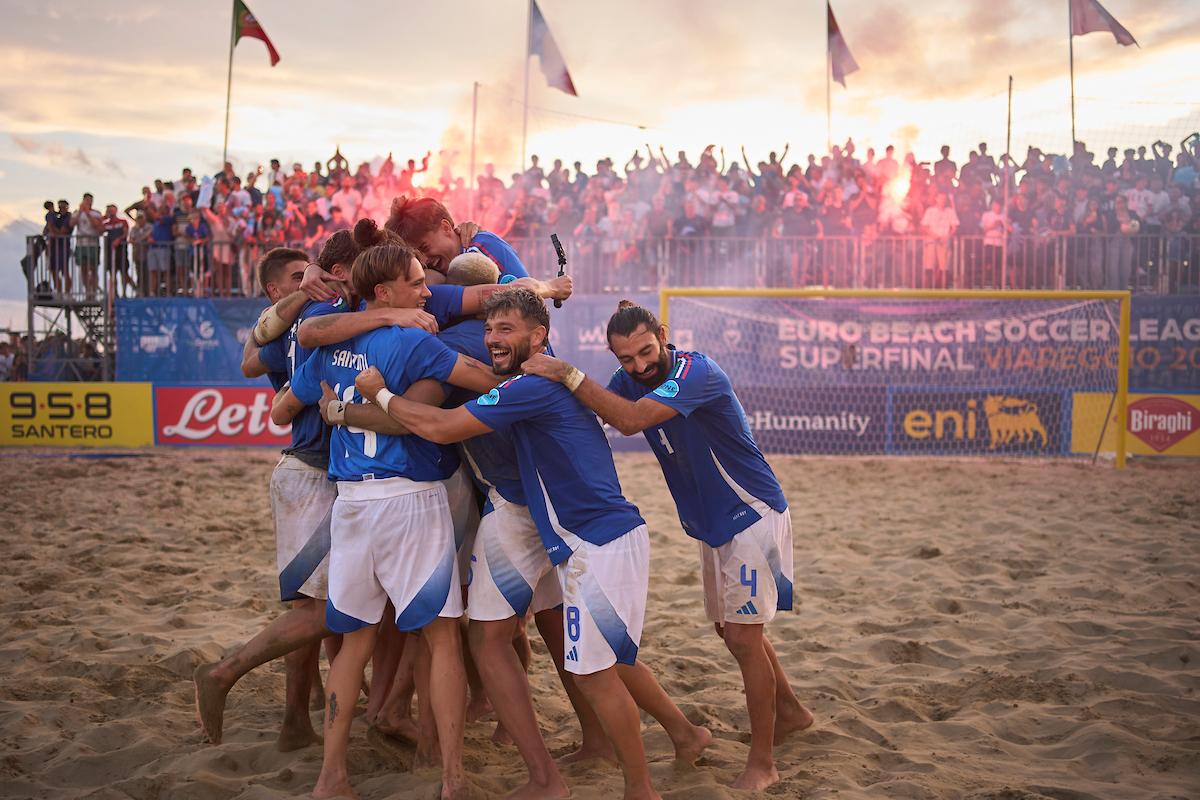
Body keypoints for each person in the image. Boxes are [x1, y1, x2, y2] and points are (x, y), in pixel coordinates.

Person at [355, 288, 713, 800]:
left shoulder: (531, 386)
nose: (493, 339)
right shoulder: (530, 380)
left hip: (599, 540)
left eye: (505, 330)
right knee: (595, 659)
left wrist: (376, 395)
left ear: (537, 336)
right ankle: (679, 737)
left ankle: (638, 790)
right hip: (579, 538)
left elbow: (442, 426)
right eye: (489, 330)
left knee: (593, 672)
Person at [521, 301, 814, 790]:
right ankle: (789, 710)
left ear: (662, 334)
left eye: (645, 352)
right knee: (733, 632)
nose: (639, 366)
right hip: (710, 523)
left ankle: (763, 762)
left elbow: (631, 420)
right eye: (626, 360)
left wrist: (566, 371)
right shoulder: (629, 381)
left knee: (743, 639)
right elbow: (592, 410)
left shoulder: (697, 370)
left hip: (752, 514)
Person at [270, 236, 504, 800]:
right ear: (385, 290)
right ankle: (452, 779)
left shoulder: (331, 345)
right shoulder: (415, 343)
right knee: (443, 638)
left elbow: (281, 410)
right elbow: (490, 385)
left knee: (354, 641)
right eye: (417, 282)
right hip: (409, 500)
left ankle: (332, 778)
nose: (427, 291)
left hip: (350, 503)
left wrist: (335, 406)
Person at [194, 247, 333, 749]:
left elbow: (252, 361)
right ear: (275, 290)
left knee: (322, 604)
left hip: (320, 473)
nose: (312, 280)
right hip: (310, 471)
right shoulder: (300, 327)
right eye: (299, 276)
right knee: (315, 608)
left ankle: (309, 703)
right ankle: (231, 678)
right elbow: (253, 361)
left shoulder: (300, 324)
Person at [386, 195, 529, 279]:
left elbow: (529, 295)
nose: (424, 260)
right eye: (416, 255)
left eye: (424, 247)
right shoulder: (428, 272)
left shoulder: (482, 246)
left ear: (445, 227)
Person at [72, 193, 104, 299]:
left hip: (93, 244)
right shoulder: (77, 213)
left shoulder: (96, 213)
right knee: (84, 268)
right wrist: (81, 212)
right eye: (86, 200)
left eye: (90, 200)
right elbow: (72, 224)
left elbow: (98, 226)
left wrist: (88, 213)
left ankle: (93, 291)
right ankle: (87, 291)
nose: (88, 202)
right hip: (81, 244)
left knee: (93, 268)